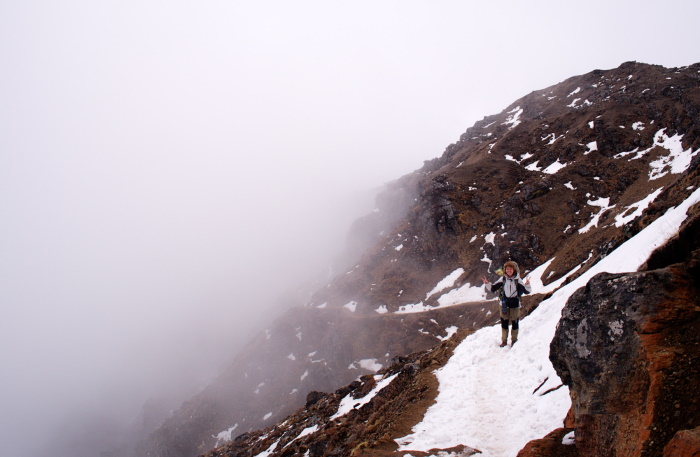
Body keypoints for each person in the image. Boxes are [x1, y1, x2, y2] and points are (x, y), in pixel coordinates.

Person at [482, 260, 531, 347]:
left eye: (510, 269)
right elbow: (493, 288)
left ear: (514, 270)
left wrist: (527, 284)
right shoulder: (503, 279)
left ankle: (514, 340)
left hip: (514, 304)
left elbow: (527, 291)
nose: (509, 271)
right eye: (507, 269)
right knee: (504, 322)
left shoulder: (518, 280)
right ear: (505, 270)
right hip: (504, 303)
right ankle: (504, 341)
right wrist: (487, 283)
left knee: (515, 322)